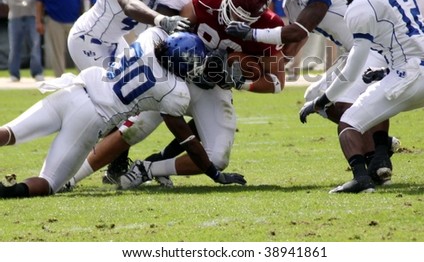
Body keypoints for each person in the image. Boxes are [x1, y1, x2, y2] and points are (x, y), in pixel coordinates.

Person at [67, 0, 286, 190]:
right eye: (231, 10)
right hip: (180, 73)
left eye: (242, 17)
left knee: (218, 158)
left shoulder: (268, 26)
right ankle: (72, 177)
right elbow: (180, 30)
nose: (233, 19)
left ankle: (149, 168)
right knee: (136, 126)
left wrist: (240, 82)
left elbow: (277, 82)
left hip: (214, 87)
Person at [226, 0, 399, 185]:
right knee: (315, 97)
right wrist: (269, 66)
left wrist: (251, 35)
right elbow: (295, 43)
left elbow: (298, 31)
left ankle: (376, 151)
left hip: (372, 47)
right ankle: (377, 141)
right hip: (352, 50)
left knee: (343, 98)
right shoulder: (292, 2)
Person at [0, 30, 246, 199]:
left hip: (74, 90)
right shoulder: (173, 90)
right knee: (49, 183)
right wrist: (215, 174)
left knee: (10, 132)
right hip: (91, 117)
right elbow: (188, 141)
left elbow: (160, 28)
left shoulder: (151, 38)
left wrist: (165, 22)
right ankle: (6, 194)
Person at [299, 0, 424, 193]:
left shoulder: (360, 6)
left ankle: (360, 179)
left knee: (349, 122)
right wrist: (387, 69)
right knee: (370, 108)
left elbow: (355, 63)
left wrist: (323, 99)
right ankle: (380, 155)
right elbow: (408, 37)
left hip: (410, 76)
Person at [1, 0, 43, 82]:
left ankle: (37, 72)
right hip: (14, 14)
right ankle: (14, 73)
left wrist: (27, 0)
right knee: (14, 46)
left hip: (31, 13)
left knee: (35, 44)